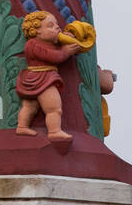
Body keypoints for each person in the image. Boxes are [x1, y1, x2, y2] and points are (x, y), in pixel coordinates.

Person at [15, 10, 82, 142]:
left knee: (31, 106)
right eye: (50, 26)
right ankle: (54, 131)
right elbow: (53, 56)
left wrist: (65, 39)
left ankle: (22, 126)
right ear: (36, 31)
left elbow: (54, 46)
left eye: (57, 24)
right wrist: (66, 51)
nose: (57, 27)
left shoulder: (49, 42)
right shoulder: (32, 45)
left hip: (37, 78)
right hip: (42, 78)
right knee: (54, 108)